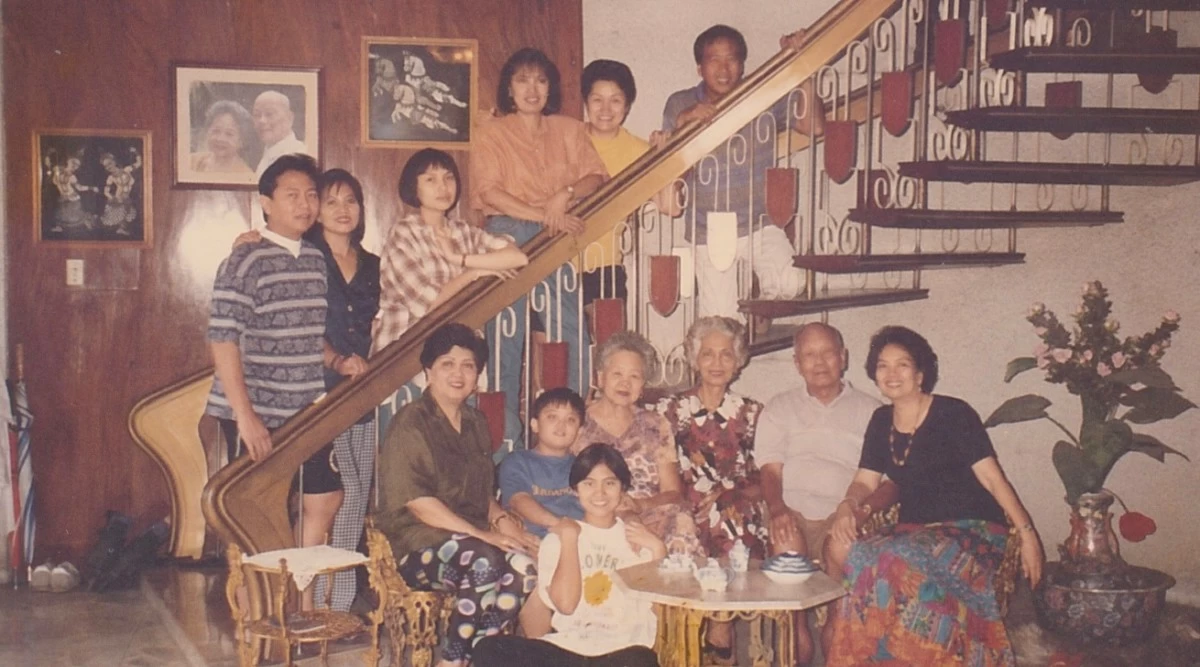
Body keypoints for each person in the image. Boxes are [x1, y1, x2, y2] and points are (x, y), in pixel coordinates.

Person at [826, 326, 1045, 666]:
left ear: (920, 372)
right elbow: (864, 482)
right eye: (883, 365)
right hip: (915, 532)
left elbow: (992, 479)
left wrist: (1028, 535)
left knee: (901, 558)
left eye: (903, 364)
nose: (892, 374)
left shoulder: (954, 414)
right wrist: (846, 506)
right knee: (863, 554)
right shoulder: (880, 420)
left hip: (974, 531)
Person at [376, 322, 540, 667]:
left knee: (524, 566)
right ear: (428, 373)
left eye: (468, 365)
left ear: (477, 376)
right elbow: (420, 505)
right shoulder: (410, 422)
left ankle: (481, 655)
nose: (458, 373)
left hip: (471, 542)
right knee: (484, 559)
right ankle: (452, 662)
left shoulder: (476, 422)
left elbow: (482, 494)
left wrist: (503, 523)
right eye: (447, 364)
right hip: (416, 546)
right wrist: (484, 534)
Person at [471, 47, 608, 450]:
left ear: (550, 88)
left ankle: (566, 432)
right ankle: (503, 444)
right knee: (504, 341)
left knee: (569, 335)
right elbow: (488, 191)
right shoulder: (491, 133)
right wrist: (542, 214)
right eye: (522, 80)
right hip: (508, 235)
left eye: (541, 80)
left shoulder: (568, 129)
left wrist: (563, 196)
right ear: (508, 89)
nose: (532, 89)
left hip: (556, 234)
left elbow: (596, 176)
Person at [660, 25, 823, 321]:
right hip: (709, 228)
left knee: (792, 285)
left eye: (732, 59)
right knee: (721, 322)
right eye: (714, 60)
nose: (724, 69)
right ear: (699, 68)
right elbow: (669, 173)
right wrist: (684, 123)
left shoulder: (762, 91)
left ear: (743, 64)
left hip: (760, 221)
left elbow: (814, 127)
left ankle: (757, 295)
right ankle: (747, 305)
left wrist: (803, 65)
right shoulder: (679, 103)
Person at [753, 322, 889, 661]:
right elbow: (770, 470)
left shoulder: (872, 411)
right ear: (797, 363)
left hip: (843, 512)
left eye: (827, 353)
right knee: (785, 545)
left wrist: (859, 511)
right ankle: (797, 627)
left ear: (842, 357)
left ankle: (835, 622)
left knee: (842, 547)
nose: (819, 362)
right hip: (793, 509)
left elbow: (889, 481)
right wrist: (777, 508)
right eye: (809, 355)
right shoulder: (779, 407)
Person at [473, 444, 663, 667]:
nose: (599, 493)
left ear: (623, 489)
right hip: (568, 648)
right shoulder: (558, 540)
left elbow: (660, 615)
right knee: (488, 649)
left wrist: (658, 550)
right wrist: (570, 540)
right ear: (575, 489)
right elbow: (565, 605)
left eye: (609, 483)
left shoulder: (639, 539)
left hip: (623, 652)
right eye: (588, 483)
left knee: (641, 661)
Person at [654, 316, 767, 663]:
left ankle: (719, 622)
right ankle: (693, 630)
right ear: (694, 359)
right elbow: (662, 469)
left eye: (726, 355)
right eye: (707, 354)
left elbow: (764, 474)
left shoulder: (752, 412)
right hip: (681, 498)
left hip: (737, 503)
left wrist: (726, 491)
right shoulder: (670, 410)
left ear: (738, 362)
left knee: (727, 512)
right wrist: (688, 500)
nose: (716, 363)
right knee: (692, 519)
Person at [205, 153, 326, 467]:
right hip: (255, 412)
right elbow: (222, 339)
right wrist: (246, 418)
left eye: (312, 195)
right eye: (292, 196)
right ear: (266, 203)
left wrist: (337, 361)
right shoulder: (246, 258)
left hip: (305, 411)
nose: (305, 204)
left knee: (325, 498)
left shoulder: (315, 259)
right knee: (248, 510)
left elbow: (308, 334)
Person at [303, 169, 380, 612]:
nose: (342, 209)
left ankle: (340, 601)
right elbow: (302, 325)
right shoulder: (306, 256)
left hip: (363, 392)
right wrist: (335, 360)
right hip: (319, 391)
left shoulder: (372, 264)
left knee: (359, 490)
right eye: (331, 201)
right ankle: (313, 598)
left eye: (350, 200)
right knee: (342, 489)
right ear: (318, 211)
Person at [371, 148, 528, 357]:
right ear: (414, 187)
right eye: (430, 180)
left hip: (454, 353)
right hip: (404, 356)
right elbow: (429, 305)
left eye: (448, 178)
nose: (443, 187)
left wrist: (459, 258)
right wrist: (474, 272)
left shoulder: (463, 232)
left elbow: (518, 258)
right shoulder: (404, 234)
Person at [572, 331, 699, 556]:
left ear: (643, 385)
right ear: (600, 378)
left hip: (648, 512)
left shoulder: (655, 424)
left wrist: (641, 506)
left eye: (634, 376)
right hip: (596, 509)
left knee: (681, 520)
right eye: (617, 374)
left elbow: (672, 493)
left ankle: (675, 588)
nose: (625, 383)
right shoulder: (578, 422)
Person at [499, 387, 586, 539]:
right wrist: (559, 525)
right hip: (531, 540)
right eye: (552, 417)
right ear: (535, 425)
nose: (561, 425)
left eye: (570, 420)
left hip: (580, 540)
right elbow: (519, 500)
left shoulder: (585, 466)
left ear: (579, 431)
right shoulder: (517, 461)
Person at [189, 100, 254, 174]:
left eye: (229, 134)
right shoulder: (192, 161)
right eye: (216, 131)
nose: (220, 139)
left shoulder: (245, 174)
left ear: (241, 141)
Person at [253, 90, 308, 173]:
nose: (262, 121)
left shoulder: (298, 155)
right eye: (257, 115)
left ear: (289, 118)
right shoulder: (266, 152)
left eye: (269, 114)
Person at [100, 148, 142, 236]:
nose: (109, 167)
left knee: (128, 212)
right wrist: (112, 197)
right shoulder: (110, 178)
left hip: (129, 195)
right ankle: (121, 229)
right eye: (106, 166)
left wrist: (136, 152)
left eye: (110, 163)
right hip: (119, 197)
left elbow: (139, 163)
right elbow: (106, 191)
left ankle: (122, 229)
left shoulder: (126, 170)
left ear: (114, 161)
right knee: (122, 213)